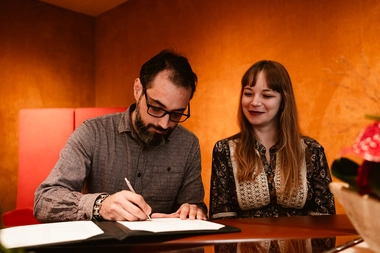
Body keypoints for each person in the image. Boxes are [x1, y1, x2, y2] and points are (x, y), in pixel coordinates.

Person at [34, 49, 207, 222]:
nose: (164, 124)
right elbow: (44, 201)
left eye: (176, 114)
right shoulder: (93, 133)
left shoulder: (188, 145)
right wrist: (101, 205)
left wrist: (193, 210)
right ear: (138, 89)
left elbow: (194, 207)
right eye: (156, 108)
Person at [209, 60, 335, 220]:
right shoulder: (224, 149)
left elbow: (324, 218)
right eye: (248, 93)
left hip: (300, 244)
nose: (254, 102)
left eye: (267, 95)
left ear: (284, 101)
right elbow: (221, 216)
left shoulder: (312, 150)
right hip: (244, 243)